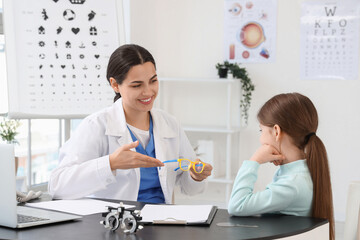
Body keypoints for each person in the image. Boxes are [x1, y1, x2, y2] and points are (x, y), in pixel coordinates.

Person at [48, 44, 213, 204]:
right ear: (115, 85)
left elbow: (191, 189)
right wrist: (111, 163)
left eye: (153, 81)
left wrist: (196, 176)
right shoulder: (96, 125)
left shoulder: (169, 124)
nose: (148, 92)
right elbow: (58, 186)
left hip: (162, 221)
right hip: (115, 224)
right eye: (137, 85)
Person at [228, 93, 334, 240]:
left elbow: (237, 205)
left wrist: (254, 161)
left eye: (261, 131)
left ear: (276, 131)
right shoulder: (301, 171)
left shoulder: (293, 183)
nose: (261, 139)